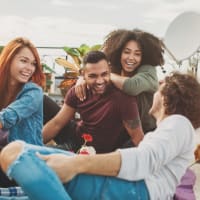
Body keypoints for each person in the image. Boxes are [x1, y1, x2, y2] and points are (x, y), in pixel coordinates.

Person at [1, 72, 200, 200]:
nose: (153, 94)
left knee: (15, 154)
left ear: (167, 97)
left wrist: (76, 164)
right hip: (127, 187)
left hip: (132, 189)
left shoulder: (178, 123)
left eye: (158, 89)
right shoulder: (173, 129)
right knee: (16, 156)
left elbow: (143, 160)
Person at [42, 50, 143, 153]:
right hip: (75, 137)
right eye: (92, 76)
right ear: (83, 74)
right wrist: (33, 145)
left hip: (95, 154)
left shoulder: (123, 98)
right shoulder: (78, 90)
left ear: (109, 70)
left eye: (104, 74)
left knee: (44, 156)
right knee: (41, 99)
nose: (99, 81)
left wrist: (114, 161)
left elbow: (138, 138)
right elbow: (57, 123)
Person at [75, 29, 164, 138]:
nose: (131, 58)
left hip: (145, 133)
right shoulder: (115, 69)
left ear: (143, 57)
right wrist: (83, 78)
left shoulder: (148, 71)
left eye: (137, 54)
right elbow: (92, 71)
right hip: (118, 132)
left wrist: (105, 74)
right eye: (127, 52)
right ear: (119, 52)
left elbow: (132, 86)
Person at [0, 37, 45, 186]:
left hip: (25, 164)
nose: (29, 68)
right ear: (8, 59)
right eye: (23, 61)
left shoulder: (34, 92)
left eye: (33, 64)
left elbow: (6, 118)